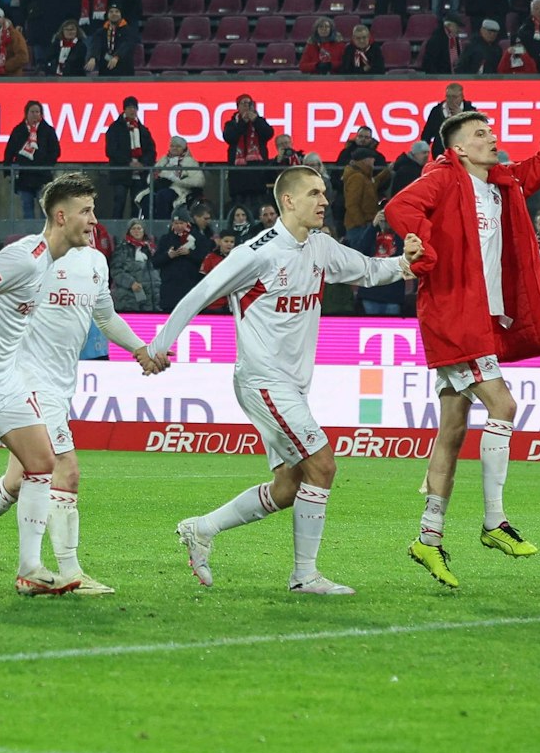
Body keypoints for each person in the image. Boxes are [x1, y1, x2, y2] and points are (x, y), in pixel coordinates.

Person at [157, 166, 420, 595]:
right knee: (322, 464)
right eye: (315, 193)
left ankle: (201, 529)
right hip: (263, 380)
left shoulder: (320, 246)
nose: (324, 200)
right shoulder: (255, 253)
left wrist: (405, 263)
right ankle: (305, 576)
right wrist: (160, 345)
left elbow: (371, 270)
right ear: (289, 201)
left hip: (291, 385)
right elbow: (199, 295)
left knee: (287, 487)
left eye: (325, 193)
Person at [384, 70, 540, 588]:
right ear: (460, 150)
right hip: (453, 318)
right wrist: (426, 250)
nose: (493, 138)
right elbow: (398, 207)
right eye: (481, 135)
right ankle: (494, 522)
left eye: (491, 131)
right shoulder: (445, 178)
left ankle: (428, 538)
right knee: (505, 407)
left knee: (452, 431)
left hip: (477, 319)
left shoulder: (502, 183)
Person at [0, 184, 161, 597]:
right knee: (66, 471)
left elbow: (106, 317)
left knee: (22, 479)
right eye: (87, 211)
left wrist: (140, 350)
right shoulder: (36, 257)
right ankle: (69, 573)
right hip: (26, 378)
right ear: (62, 216)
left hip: (60, 382)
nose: (95, 221)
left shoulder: (95, 262)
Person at [4, 100, 62, 219]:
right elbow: (9, 150)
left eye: (37, 112)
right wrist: (6, 170)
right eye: (32, 112)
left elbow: (55, 151)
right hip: (24, 178)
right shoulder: (18, 130)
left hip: (43, 177)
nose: (35, 114)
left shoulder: (48, 130)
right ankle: (30, 235)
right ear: (26, 113)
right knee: (27, 209)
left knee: (44, 210)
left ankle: (44, 236)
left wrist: (46, 165)